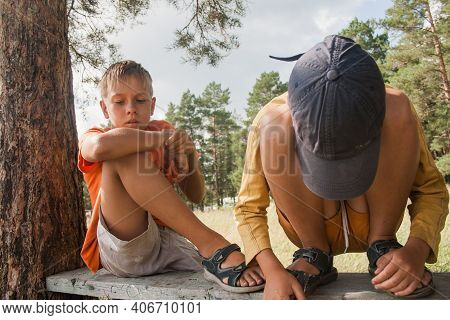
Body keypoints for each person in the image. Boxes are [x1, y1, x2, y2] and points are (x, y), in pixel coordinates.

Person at [234, 35, 448, 300]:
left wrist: (416, 249)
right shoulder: (276, 114)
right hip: (313, 224)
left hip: (375, 218)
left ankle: (382, 245)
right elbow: (248, 207)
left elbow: (431, 189)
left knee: (397, 106)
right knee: (273, 125)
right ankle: (315, 255)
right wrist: (271, 267)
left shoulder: (390, 104)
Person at [78, 60, 265, 293]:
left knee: (233, 285)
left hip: (170, 243)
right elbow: (97, 148)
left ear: (152, 104)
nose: (131, 108)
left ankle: (213, 255)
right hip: (126, 246)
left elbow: (196, 195)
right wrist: (163, 139)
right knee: (124, 149)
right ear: (105, 108)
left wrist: (189, 155)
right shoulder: (98, 134)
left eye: (140, 100)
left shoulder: (164, 130)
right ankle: (213, 245)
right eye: (119, 101)